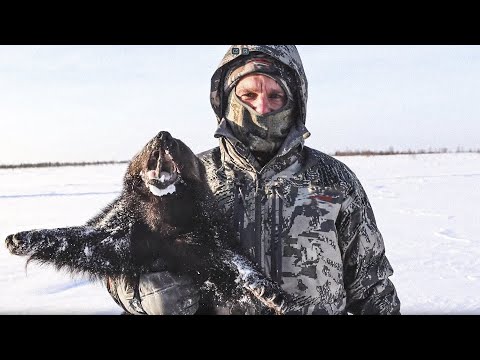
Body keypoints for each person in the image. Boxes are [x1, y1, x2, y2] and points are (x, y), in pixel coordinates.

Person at [106, 45, 401, 315]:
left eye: (275, 95)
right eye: (248, 95)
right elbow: (117, 264)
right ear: (225, 99)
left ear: (296, 101)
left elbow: (371, 287)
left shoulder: (334, 180)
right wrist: (141, 293)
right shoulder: (186, 175)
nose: (262, 108)